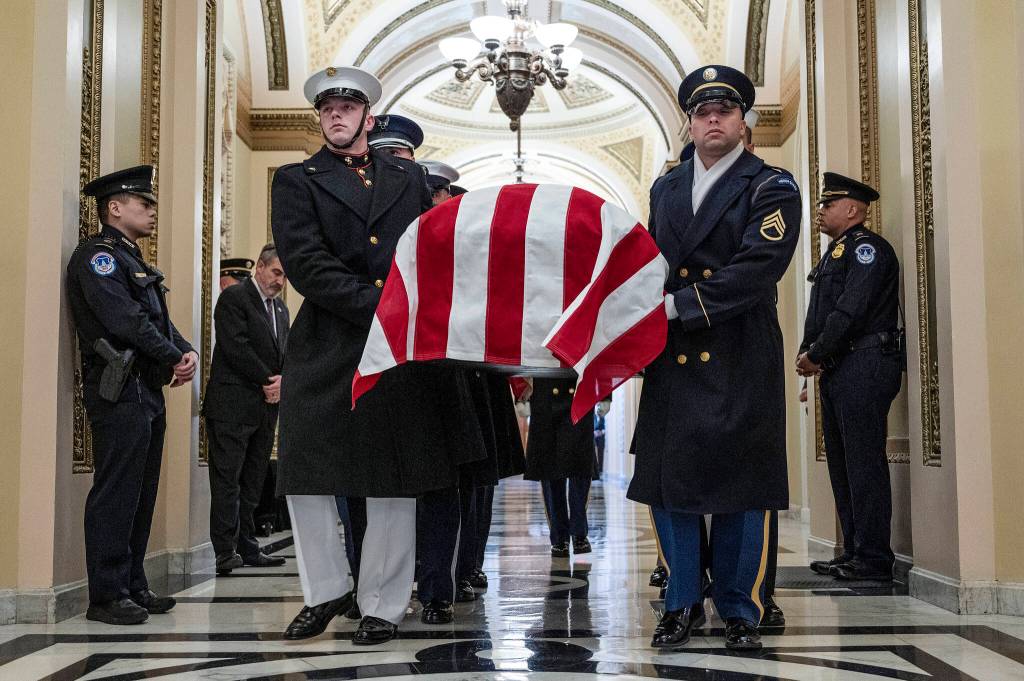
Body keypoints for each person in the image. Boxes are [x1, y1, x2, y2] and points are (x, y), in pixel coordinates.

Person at [271, 65, 481, 644]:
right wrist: (376, 301)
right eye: (327, 108)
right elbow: (305, 262)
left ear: (367, 116)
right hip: (328, 340)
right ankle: (326, 589)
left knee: (393, 476)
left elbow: (431, 251)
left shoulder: (407, 179)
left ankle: (383, 604)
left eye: (347, 106)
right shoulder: (296, 178)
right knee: (306, 471)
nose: (335, 115)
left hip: (396, 344)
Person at [628, 65, 801, 652]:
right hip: (672, 358)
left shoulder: (771, 186)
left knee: (740, 486)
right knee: (669, 483)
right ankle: (679, 603)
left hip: (738, 354)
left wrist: (676, 308)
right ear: (691, 122)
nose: (713, 120)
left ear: (743, 121)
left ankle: (739, 607)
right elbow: (647, 263)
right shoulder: (666, 189)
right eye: (702, 112)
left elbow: (756, 270)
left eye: (724, 110)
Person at [67, 165, 199, 625]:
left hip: (145, 388)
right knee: (116, 492)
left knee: (142, 493)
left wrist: (183, 352)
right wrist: (170, 355)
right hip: (118, 389)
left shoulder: (135, 261)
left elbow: (157, 320)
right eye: (143, 203)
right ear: (115, 208)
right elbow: (125, 321)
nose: (151, 210)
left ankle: (132, 584)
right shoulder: (98, 258)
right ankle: (105, 594)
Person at [797, 172, 902, 582]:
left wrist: (817, 354)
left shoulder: (866, 250)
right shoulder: (836, 252)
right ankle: (855, 550)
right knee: (843, 464)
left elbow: (850, 309)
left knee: (863, 463)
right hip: (841, 367)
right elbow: (820, 313)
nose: (821, 211)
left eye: (829, 204)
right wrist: (811, 361)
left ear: (853, 209)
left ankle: (874, 558)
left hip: (866, 363)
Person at [203, 243, 289, 575]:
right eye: (276, 272)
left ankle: (247, 543)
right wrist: (269, 380)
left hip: (265, 408)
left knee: (253, 479)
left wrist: (282, 382)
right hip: (232, 405)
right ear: (261, 269)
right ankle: (225, 550)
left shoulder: (281, 310)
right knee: (228, 479)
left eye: (285, 276)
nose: (280, 281)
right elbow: (234, 346)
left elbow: (286, 350)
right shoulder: (235, 299)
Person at [526, 377, 596, 558]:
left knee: (580, 466)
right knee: (550, 469)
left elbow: (599, 350)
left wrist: (606, 394)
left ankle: (579, 533)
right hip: (544, 392)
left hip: (580, 389)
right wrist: (521, 393)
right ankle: (559, 537)